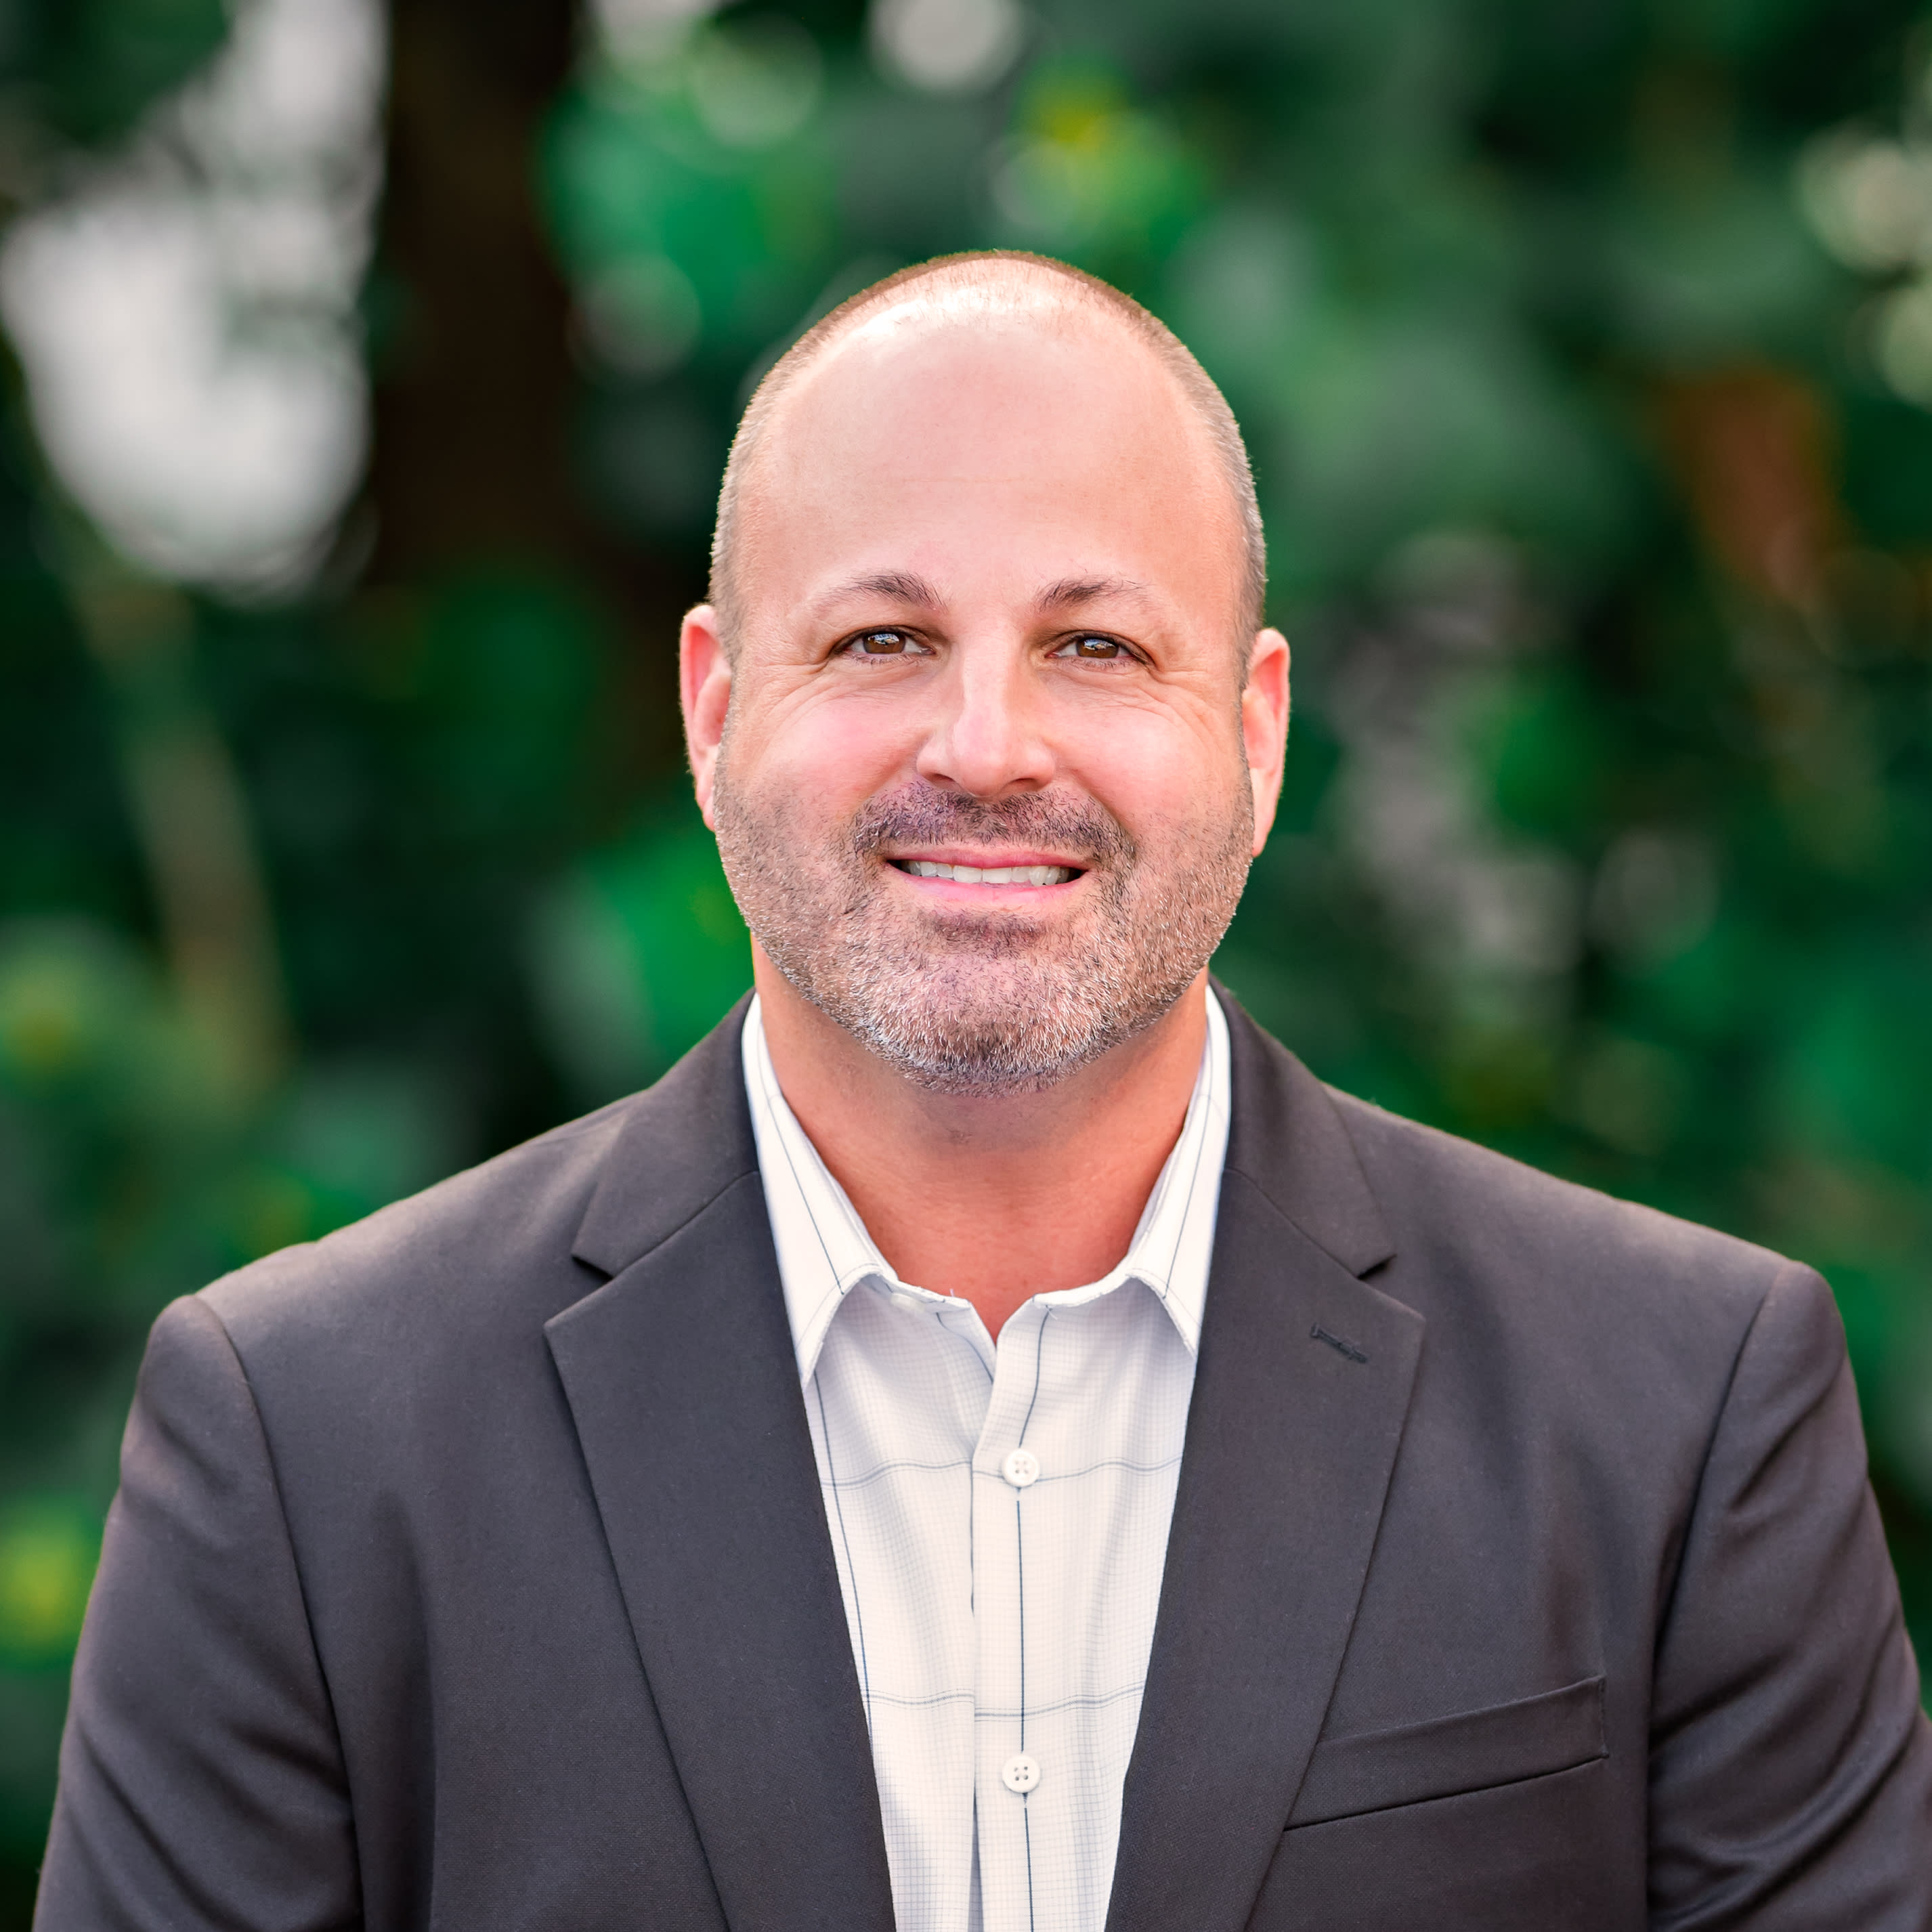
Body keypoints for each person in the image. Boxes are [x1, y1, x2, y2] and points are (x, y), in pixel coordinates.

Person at [34, 252, 1932, 1932]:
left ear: (1257, 732)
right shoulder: (305, 1439)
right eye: (884, 640)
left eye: (1096, 646)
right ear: (714, 711)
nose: (989, 746)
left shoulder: (1680, 1408)